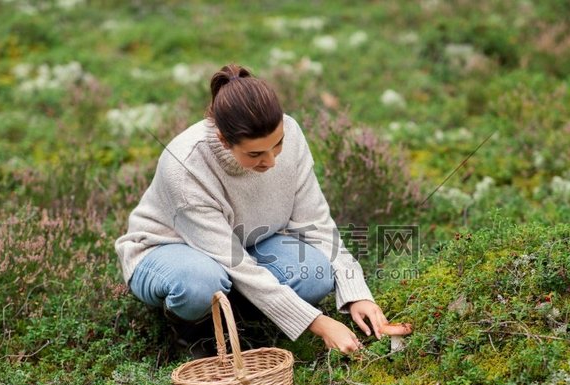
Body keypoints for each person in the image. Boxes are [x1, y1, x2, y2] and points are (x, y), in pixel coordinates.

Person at [115, 63, 394, 354]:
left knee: (316, 273)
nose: (272, 161)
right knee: (202, 283)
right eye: (256, 154)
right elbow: (234, 262)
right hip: (169, 251)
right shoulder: (186, 167)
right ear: (224, 140)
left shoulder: (293, 133)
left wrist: (356, 294)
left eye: (278, 144)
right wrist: (318, 323)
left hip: (248, 243)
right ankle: (190, 332)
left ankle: (239, 319)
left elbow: (318, 225)